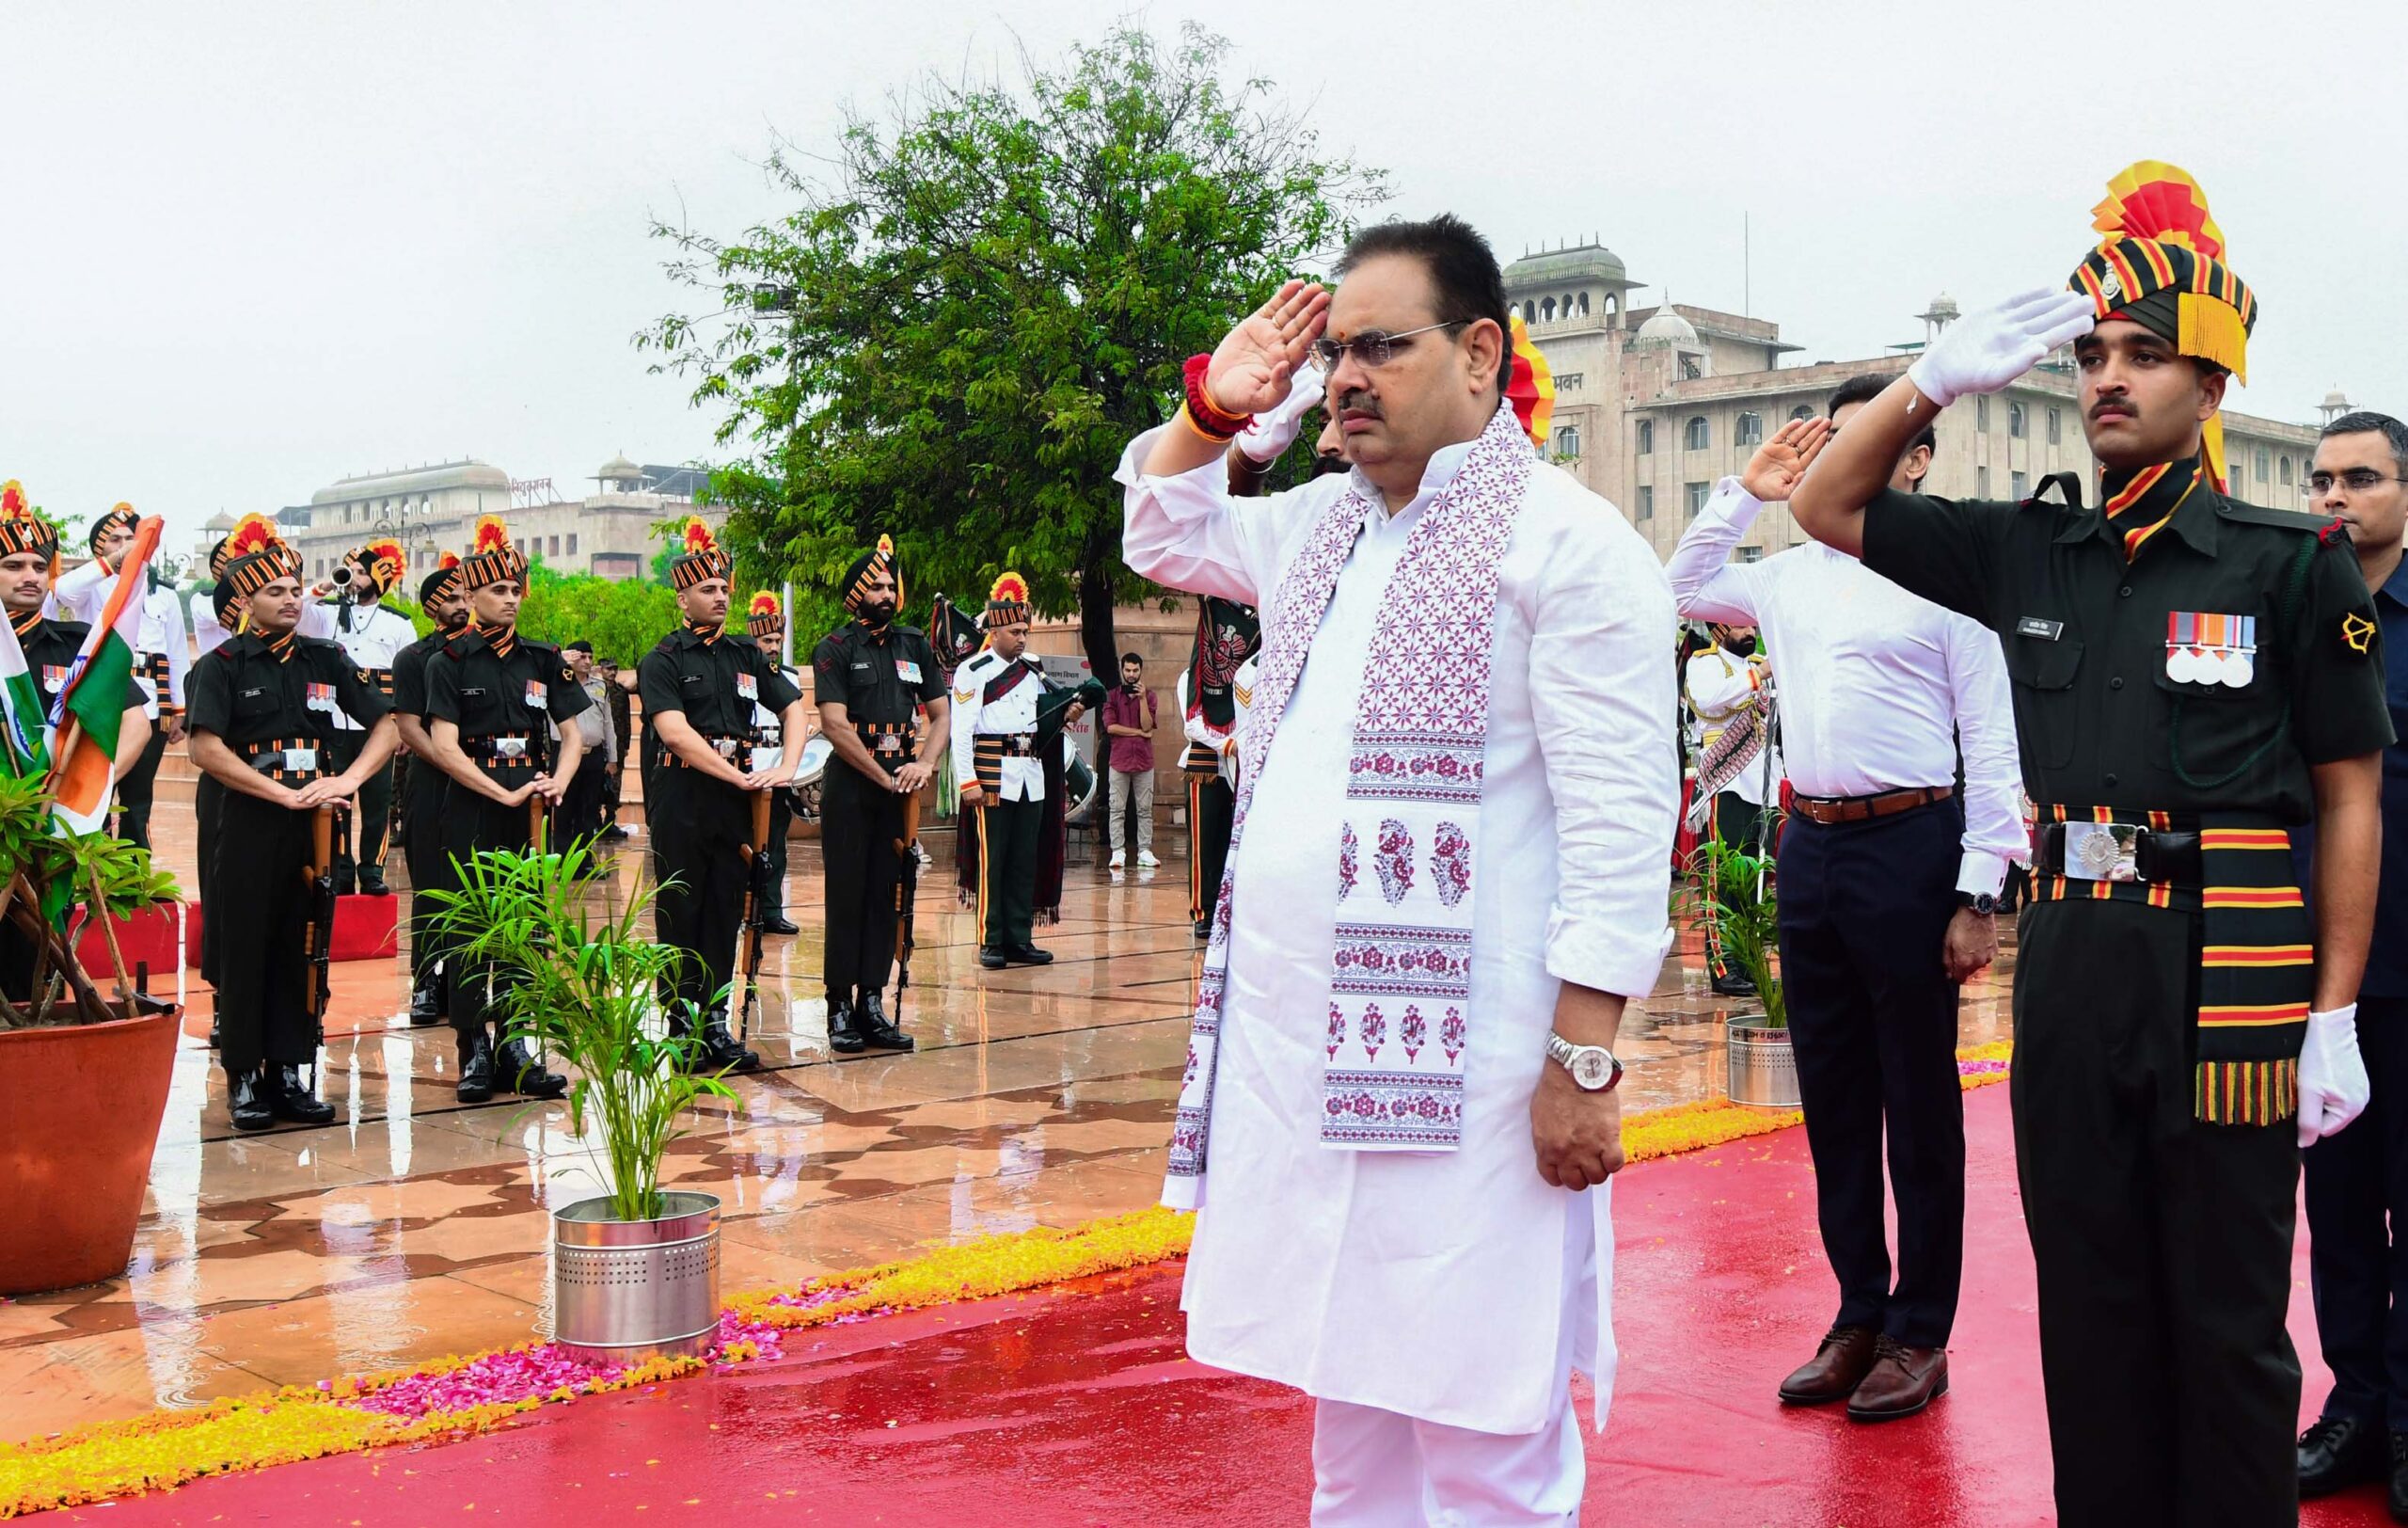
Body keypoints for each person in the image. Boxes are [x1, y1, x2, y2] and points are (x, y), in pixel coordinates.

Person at [1788, 161, 2389, 1524]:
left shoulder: (2288, 565)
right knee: (2092, 1310)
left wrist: (2334, 1012)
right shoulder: (2026, 551)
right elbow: (1825, 504)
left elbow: (2350, 794)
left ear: (2214, 389)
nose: (2107, 378)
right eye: (2092, 356)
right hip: (2071, 967)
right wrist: (1929, 381)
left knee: (2229, 1323)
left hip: (2231, 971)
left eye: (2145, 357)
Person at [1121, 215, 1676, 1519]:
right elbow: (1160, 529)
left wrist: (1583, 1065)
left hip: (1482, 1084)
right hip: (1307, 1067)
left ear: (1480, 354)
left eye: (1385, 347)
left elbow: (1619, 829)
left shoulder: (1569, 545)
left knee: (1484, 1426)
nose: (1347, 378)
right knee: (1349, 1409)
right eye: (1336, 356)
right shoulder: (1320, 527)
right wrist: (1214, 409)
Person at [1670, 396, 2024, 1422]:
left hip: (1912, 847)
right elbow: (1678, 585)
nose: (1841, 456)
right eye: (1827, 439)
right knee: (1831, 1098)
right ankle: (1857, 1313)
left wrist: (1977, 894)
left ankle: (1920, 1331)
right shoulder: (1784, 579)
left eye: (1867, 439)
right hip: (1810, 845)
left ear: (1912, 461)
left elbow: (1992, 750)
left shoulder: (1948, 585)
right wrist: (1745, 490)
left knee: (1917, 1104)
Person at [186, 529, 396, 1131]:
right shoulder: (220, 666)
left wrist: (346, 780)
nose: (290, 600)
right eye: (274, 591)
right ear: (245, 603)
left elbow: (386, 726)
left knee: (303, 944)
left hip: (314, 822)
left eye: (293, 590)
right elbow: (205, 749)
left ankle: (289, 1069)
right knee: (246, 943)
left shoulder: (325, 660)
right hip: (250, 817)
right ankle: (246, 1075)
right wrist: (279, 793)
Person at [2296, 409, 2408, 1509]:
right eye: (2321, 480)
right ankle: (2353, 1410)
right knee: (2332, 1210)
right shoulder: (2295, 613)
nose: (2332, 498)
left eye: (2359, 479)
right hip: (2315, 974)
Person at [422, 516, 584, 1104]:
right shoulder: (450, 662)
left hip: (531, 808)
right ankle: (475, 1047)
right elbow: (443, 745)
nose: (509, 599)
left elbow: (573, 734)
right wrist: (501, 792)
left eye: (516, 590)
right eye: (497, 590)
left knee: (526, 926)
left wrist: (557, 783)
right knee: (471, 928)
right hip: (472, 803)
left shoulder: (542, 660)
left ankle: (517, 1041)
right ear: (469, 595)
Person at [636, 521, 807, 1073]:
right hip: (684, 795)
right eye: (708, 590)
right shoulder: (663, 659)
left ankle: (715, 1022)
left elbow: (794, 706)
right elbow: (674, 731)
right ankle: (681, 1026)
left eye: (725, 589)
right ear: (683, 597)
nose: (720, 598)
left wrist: (785, 766)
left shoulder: (745, 655)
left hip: (735, 797)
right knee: (682, 910)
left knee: (725, 909)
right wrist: (733, 776)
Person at [813, 538, 943, 1052]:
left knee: (888, 896)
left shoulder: (914, 645)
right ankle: (839, 1006)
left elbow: (941, 714)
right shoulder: (836, 648)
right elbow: (834, 724)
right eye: (877, 586)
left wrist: (925, 762)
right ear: (856, 594)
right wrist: (880, 775)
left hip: (899, 785)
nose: (887, 593)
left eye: (892, 585)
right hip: (852, 783)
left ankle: (873, 1001)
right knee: (848, 895)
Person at [50, 503, 187, 852]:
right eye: (115, 539)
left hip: (150, 706)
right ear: (100, 547)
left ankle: (134, 883)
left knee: (137, 803)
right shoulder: (92, 587)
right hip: (101, 705)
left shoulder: (164, 594)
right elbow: (62, 591)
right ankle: (91, 876)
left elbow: (176, 653)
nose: (126, 544)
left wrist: (180, 710)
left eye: (132, 538)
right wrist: (112, 562)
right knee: (93, 796)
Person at [952, 575, 1064, 969]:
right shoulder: (974, 669)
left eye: (1025, 632)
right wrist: (967, 780)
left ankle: (1019, 937)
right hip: (991, 774)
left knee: (1023, 859)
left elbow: (1039, 723)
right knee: (993, 859)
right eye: (1015, 631)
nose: (1022, 638)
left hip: (1029, 774)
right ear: (995, 630)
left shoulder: (1033, 669)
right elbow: (961, 729)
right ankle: (991, 938)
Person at [1682, 619, 1781, 997]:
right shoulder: (1705, 664)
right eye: (1739, 624)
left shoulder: (1759, 663)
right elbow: (1711, 698)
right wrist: (1763, 673)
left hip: (1762, 787)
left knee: (1756, 881)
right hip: (1726, 783)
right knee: (1724, 880)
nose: (1749, 630)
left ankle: (1751, 959)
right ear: (1718, 628)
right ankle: (1724, 966)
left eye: (1751, 623)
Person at [391, 553, 466, 1027]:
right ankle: (425, 980)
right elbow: (408, 726)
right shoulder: (413, 659)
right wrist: (452, 764)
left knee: (469, 885)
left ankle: (464, 981)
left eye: (465, 597)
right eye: (452, 598)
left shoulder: (480, 655)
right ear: (431, 607)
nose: (462, 606)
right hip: (430, 781)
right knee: (430, 887)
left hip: (476, 786)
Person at [325, 538, 416, 895]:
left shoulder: (398, 623)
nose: (354, 578)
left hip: (380, 729)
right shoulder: (327, 613)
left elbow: (408, 681)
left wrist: (405, 730)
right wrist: (331, 585)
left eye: (362, 572)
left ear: (378, 579)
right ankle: (341, 868)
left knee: (377, 802)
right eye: (352, 570)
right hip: (334, 724)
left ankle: (372, 870)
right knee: (338, 803)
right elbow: (300, 606)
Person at [1177, 598, 1258, 939]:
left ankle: (1231, 909)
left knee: (1233, 841)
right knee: (1205, 844)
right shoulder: (1189, 679)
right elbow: (1192, 723)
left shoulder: (1251, 675)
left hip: (1241, 764)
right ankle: (1203, 911)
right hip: (1207, 762)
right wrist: (1228, 744)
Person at [742, 592, 803, 936]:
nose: (774, 646)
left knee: (776, 845)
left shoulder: (789, 676)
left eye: (778, 640)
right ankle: (743, 908)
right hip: (747, 763)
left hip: (777, 764)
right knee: (745, 844)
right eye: (767, 640)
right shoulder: (740, 671)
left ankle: (772, 910)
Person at [1101, 652, 1160, 871]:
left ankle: (1145, 850)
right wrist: (1138, 733)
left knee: (1145, 808)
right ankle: (1118, 851)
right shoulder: (1112, 696)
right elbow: (1111, 727)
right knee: (1117, 808)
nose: (1132, 675)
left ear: (1141, 670)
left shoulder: (1151, 696)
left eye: (1135, 670)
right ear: (1122, 670)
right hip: (1119, 760)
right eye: (1128, 670)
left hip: (1144, 761)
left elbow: (1147, 726)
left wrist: (1142, 699)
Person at [558, 641, 615, 844]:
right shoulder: (557, 682)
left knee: (589, 809)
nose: (587, 661)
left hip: (594, 754)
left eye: (590, 657)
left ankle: (585, 861)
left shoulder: (600, 686)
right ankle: (563, 859)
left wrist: (613, 758)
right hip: (564, 753)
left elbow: (608, 723)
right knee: (563, 808)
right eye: (582, 657)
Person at [596, 656, 633, 841]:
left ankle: (610, 822)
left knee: (615, 785)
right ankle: (595, 822)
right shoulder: (594, 688)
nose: (612, 672)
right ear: (600, 670)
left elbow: (626, 718)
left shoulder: (620, 692)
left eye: (615, 669)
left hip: (617, 745)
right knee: (594, 783)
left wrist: (626, 744)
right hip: (597, 744)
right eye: (609, 669)